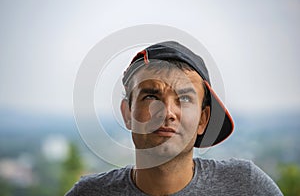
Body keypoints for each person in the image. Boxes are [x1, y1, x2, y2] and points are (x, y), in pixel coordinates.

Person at [66, 41, 283, 195]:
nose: (168, 112)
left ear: (202, 120)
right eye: (151, 96)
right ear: (127, 113)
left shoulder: (245, 185)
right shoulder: (89, 192)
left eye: (185, 98)